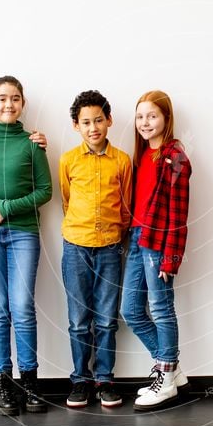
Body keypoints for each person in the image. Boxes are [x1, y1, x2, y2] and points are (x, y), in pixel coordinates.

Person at [0, 75, 52, 416]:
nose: (9, 104)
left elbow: (45, 191)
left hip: (23, 232)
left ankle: (30, 382)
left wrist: (7, 207)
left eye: (15, 98)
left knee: (22, 307)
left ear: (22, 104)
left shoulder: (33, 143)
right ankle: (3, 382)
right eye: (2, 98)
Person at [59, 90, 132, 408]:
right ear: (76, 126)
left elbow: (126, 207)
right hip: (75, 247)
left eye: (99, 120)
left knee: (105, 319)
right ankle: (80, 380)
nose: (93, 128)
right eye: (86, 122)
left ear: (109, 121)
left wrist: (114, 234)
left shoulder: (122, 161)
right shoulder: (68, 161)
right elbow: (65, 200)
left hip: (110, 250)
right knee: (78, 319)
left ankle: (105, 379)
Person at [121, 90, 192, 411]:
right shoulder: (142, 156)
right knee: (131, 310)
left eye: (152, 116)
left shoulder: (175, 158)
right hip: (137, 238)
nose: (145, 122)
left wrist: (170, 259)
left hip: (158, 243)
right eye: (140, 116)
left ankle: (165, 378)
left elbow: (179, 217)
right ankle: (171, 368)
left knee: (161, 309)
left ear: (166, 119)